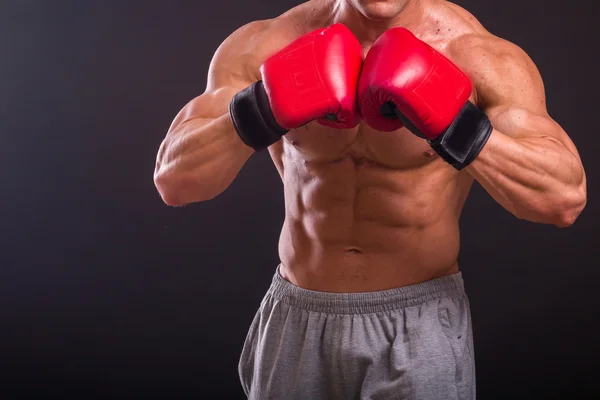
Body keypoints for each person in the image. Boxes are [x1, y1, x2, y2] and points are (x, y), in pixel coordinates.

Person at [153, 0, 587, 398]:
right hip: (298, 316)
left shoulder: (479, 57)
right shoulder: (268, 43)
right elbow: (175, 180)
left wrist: (456, 123)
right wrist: (264, 107)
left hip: (416, 326)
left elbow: (563, 199)